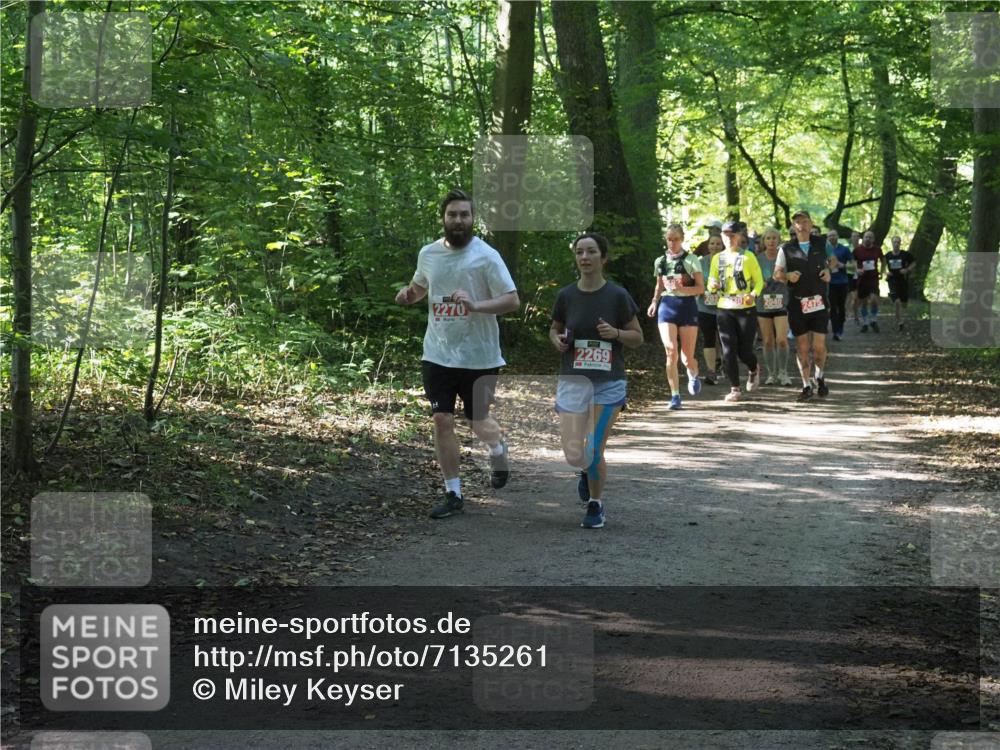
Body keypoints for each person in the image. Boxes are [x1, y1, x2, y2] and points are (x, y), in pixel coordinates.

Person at [395, 188, 520, 519]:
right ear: (444, 218)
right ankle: (453, 493)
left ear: (472, 218)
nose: (459, 220)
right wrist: (410, 295)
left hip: (480, 355)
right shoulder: (429, 254)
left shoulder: (487, 256)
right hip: (437, 353)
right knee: (441, 419)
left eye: (464, 215)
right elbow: (421, 286)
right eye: (453, 215)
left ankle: (497, 448)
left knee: (477, 420)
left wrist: (476, 305)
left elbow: (512, 300)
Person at [551, 233, 642, 529]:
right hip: (573, 382)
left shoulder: (617, 295)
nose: (585, 257)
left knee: (594, 447)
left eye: (591, 252)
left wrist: (616, 333)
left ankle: (595, 504)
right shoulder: (566, 295)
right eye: (580, 252)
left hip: (608, 383)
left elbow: (637, 337)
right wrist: (559, 341)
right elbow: (554, 330)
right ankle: (583, 471)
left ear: (604, 258)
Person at [774, 210, 834, 402]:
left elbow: (833, 261)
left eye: (805, 221)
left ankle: (820, 374)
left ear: (811, 223)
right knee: (802, 346)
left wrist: (828, 269)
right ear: (793, 227)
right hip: (797, 303)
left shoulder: (822, 243)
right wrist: (787, 276)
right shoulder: (786, 249)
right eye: (798, 222)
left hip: (818, 302)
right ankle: (806, 385)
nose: (802, 225)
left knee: (818, 347)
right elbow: (777, 274)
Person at [647, 223, 704, 409]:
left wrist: (682, 289)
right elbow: (659, 286)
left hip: (687, 306)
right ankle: (675, 396)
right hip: (667, 307)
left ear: (682, 239)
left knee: (687, 356)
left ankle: (693, 373)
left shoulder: (692, 260)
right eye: (669, 239)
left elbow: (700, 288)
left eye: (676, 239)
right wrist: (654, 301)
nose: (672, 243)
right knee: (671, 352)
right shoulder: (660, 261)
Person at [707, 220, 764, 402]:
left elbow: (759, 282)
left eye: (732, 235)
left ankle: (754, 368)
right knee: (728, 349)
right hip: (725, 308)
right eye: (725, 235)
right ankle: (735, 389)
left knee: (744, 351)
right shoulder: (718, 258)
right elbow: (711, 282)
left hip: (746, 308)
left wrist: (753, 295)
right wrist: (713, 285)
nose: (728, 239)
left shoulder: (748, 257)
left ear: (739, 236)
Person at [755, 228, 792, 385]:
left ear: (779, 240)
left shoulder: (785, 257)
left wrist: (786, 278)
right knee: (768, 341)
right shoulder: (757, 259)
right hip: (763, 304)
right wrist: (758, 283)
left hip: (781, 302)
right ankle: (771, 374)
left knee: (782, 340)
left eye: (774, 238)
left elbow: (792, 276)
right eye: (768, 238)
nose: (771, 241)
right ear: (763, 241)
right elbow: (750, 278)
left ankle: (783, 373)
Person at [697, 233, 724, 385]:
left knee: (723, 338)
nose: (715, 246)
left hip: (724, 306)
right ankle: (711, 371)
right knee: (709, 338)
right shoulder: (701, 263)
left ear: (723, 246)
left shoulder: (728, 261)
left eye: (718, 244)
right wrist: (701, 290)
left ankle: (722, 362)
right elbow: (695, 281)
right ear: (708, 246)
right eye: (712, 243)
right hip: (704, 306)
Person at [854, 230, 885, 333]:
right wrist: (857, 270)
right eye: (866, 237)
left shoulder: (877, 250)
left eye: (870, 237)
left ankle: (873, 319)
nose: (868, 239)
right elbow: (850, 262)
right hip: (862, 279)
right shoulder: (857, 250)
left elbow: (883, 260)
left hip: (873, 279)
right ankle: (866, 322)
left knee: (874, 300)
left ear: (873, 239)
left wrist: (882, 271)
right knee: (863, 303)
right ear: (863, 238)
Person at [826, 229, 852, 340]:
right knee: (832, 306)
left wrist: (843, 265)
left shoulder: (845, 249)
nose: (832, 237)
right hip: (830, 282)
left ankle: (840, 328)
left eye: (834, 235)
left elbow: (853, 267)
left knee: (841, 307)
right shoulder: (825, 250)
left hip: (842, 282)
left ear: (838, 236)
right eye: (830, 236)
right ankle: (836, 331)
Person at [885, 235, 915, 331]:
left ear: (900, 243)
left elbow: (914, 262)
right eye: (894, 242)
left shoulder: (905, 254)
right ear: (892, 243)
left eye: (898, 242)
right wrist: (886, 272)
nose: (896, 244)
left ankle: (901, 316)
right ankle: (900, 322)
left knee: (904, 303)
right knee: (897, 302)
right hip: (892, 281)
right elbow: (882, 266)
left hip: (902, 281)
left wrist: (907, 270)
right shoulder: (888, 255)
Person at [848, 231, 862, 326]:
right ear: (851, 238)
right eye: (853, 236)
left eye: (857, 236)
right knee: (853, 297)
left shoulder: (862, 249)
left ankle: (855, 314)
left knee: (858, 298)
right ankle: (852, 315)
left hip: (861, 275)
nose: (855, 238)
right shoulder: (847, 249)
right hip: (849, 275)